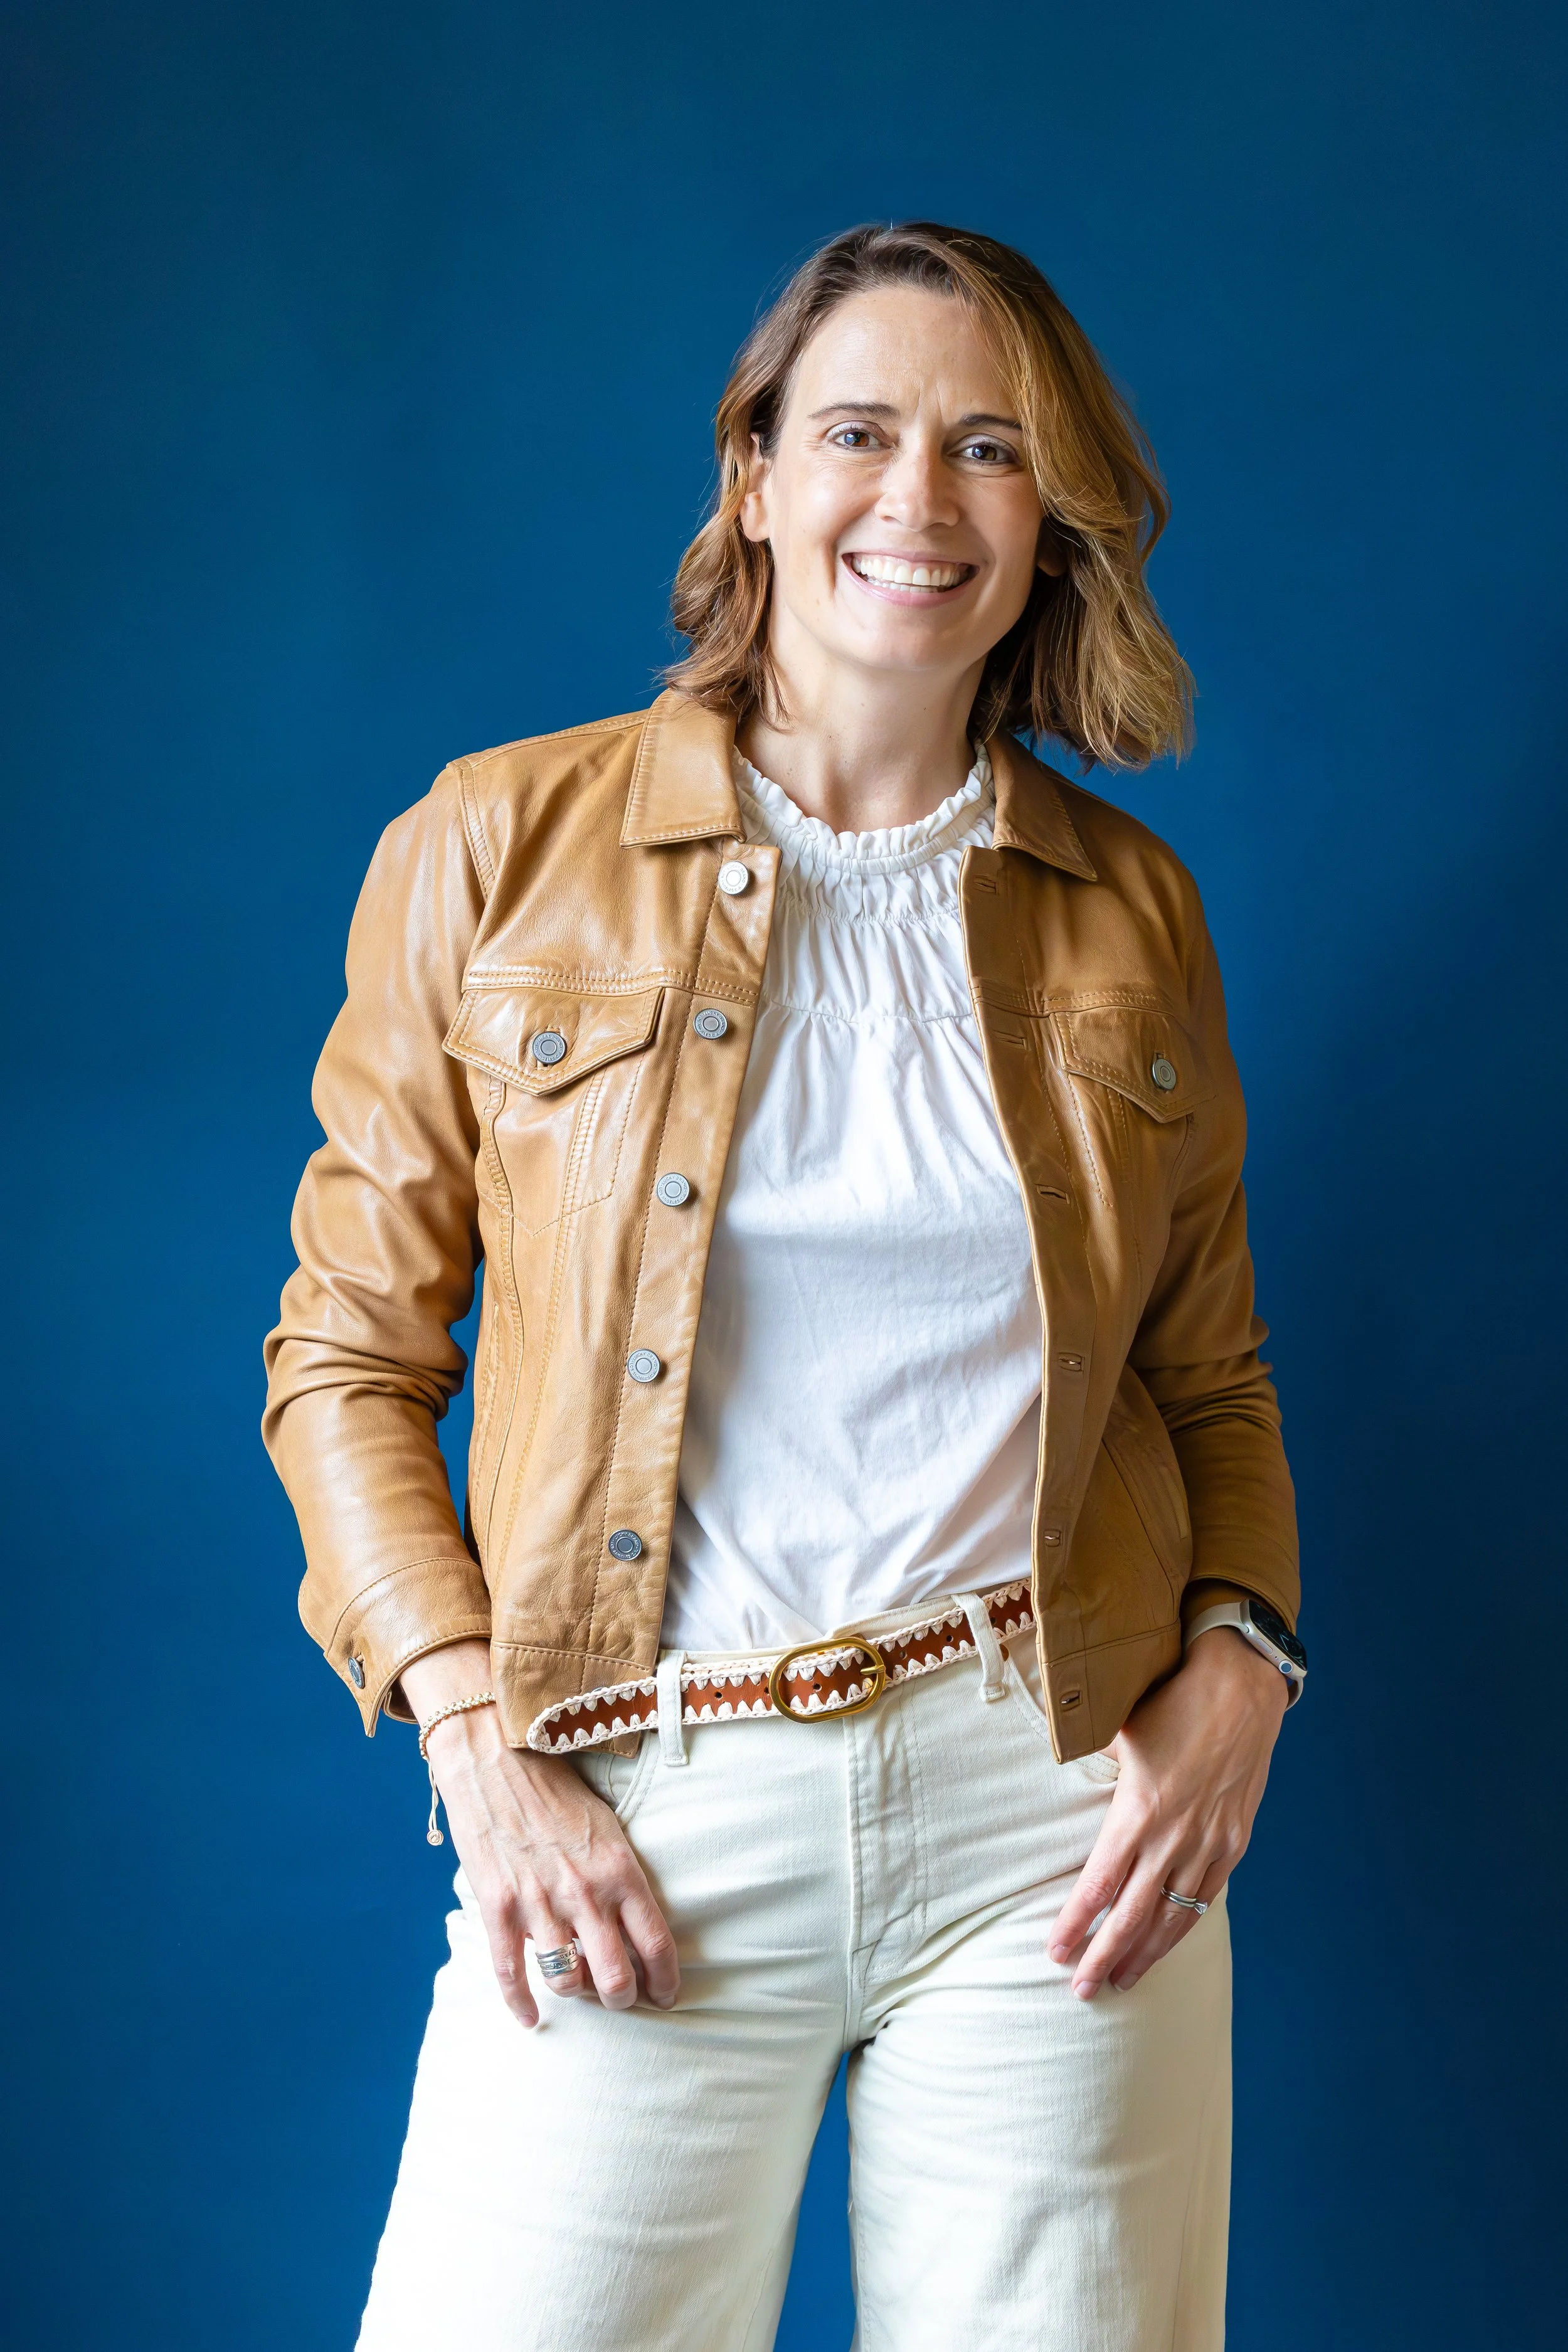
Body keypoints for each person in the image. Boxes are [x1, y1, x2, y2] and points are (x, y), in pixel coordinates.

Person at [263, 219, 1304, 2352]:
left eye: (990, 449)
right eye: (859, 432)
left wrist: (1243, 1661)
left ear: (1054, 516)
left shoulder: (1132, 907)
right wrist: (482, 1746)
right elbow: (346, 1360)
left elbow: (1210, 1374)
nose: (916, 502)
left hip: (1052, 1818)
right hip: (636, 1799)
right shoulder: (492, 845)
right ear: (753, 475)